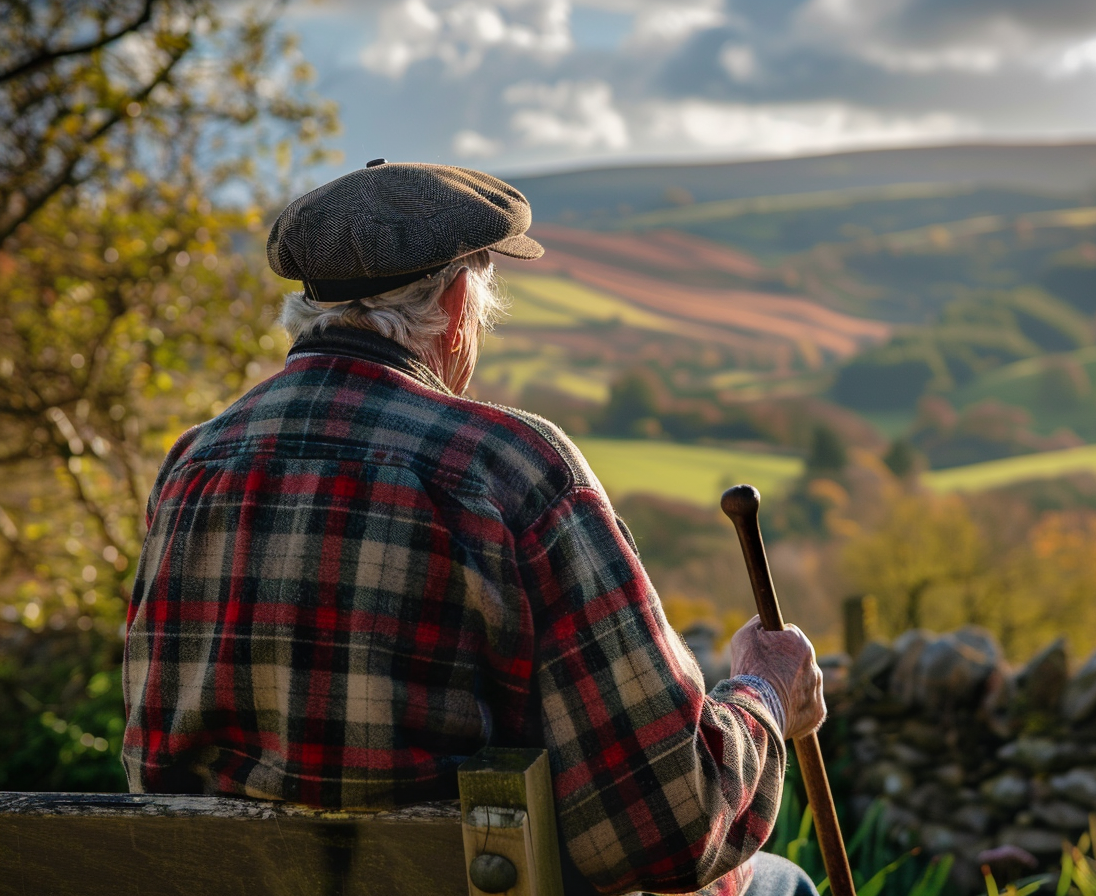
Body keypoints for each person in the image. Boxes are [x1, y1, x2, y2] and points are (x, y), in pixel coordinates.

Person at [122, 161, 826, 896]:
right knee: (781, 884)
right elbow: (672, 824)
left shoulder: (194, 464)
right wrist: (766, 692)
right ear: (459, 302)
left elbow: (153, 760)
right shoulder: (510, 467)